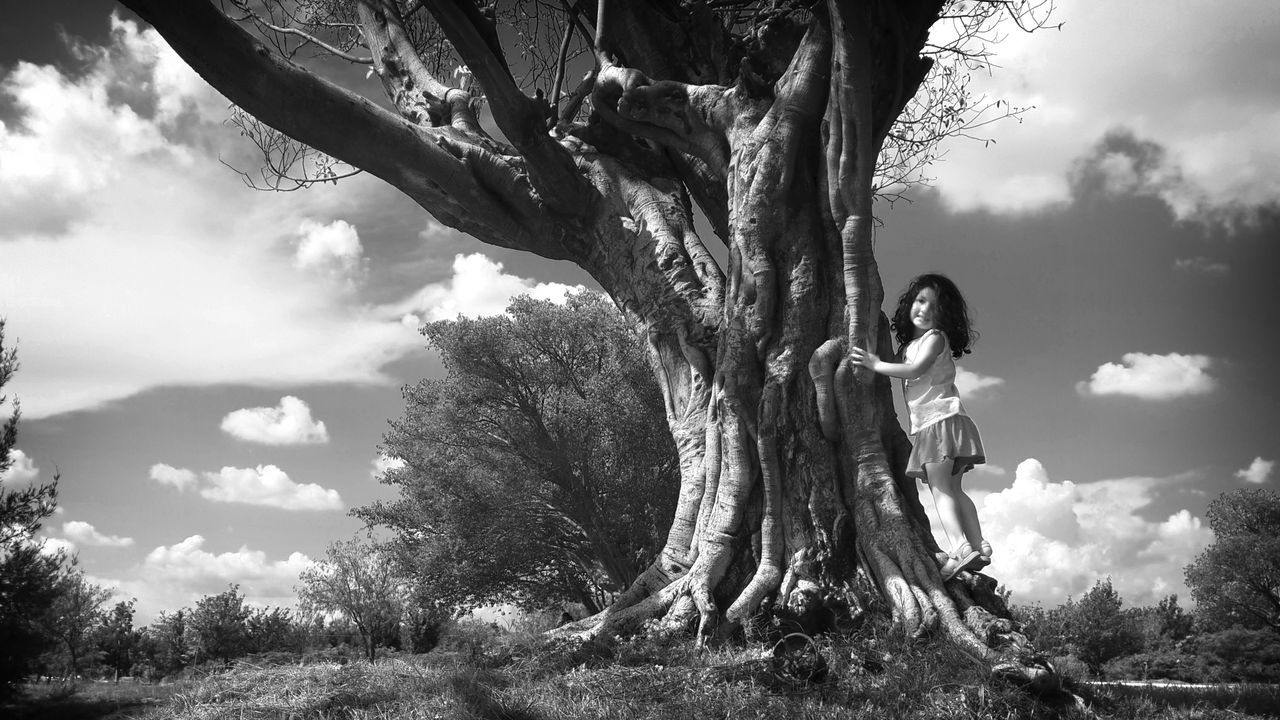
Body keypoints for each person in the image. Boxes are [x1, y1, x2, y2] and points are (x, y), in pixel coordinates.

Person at [850, 273, 990, 581]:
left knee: (941, 491)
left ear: (944, 316)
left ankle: (960, 548)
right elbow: (902, 364)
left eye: (934, 306)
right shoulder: (908, 347)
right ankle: (978, 545)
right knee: (953, 489)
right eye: (920, 300)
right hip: (943, 423)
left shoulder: (935, 338)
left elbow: (914, 369)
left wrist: (875, 364)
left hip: (939, 423)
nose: (924, 310)